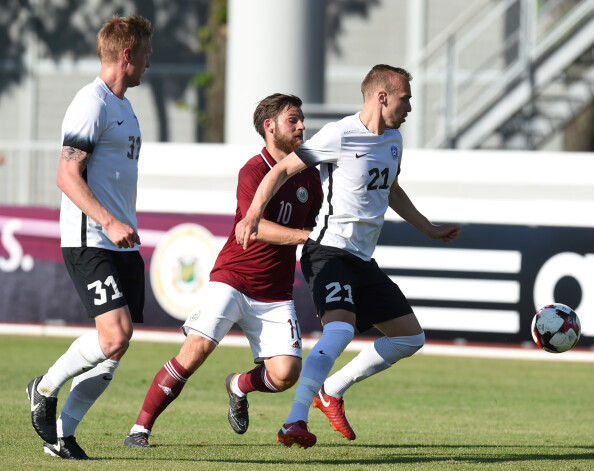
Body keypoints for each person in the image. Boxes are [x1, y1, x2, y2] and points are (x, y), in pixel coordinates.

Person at [235, 64, 462, 449]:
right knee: (340, 330)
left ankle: (333, 389)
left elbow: (390, 188)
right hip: (327, 251)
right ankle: (295, 420)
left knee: (410, 338)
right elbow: (282, 171)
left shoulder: (394, 141)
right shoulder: (339, 134)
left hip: (361, 259)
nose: (410, 106)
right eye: (405, 98)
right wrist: (254, 212)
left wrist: (428, 227)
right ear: (382, 96)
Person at [123, 93, 322, 448]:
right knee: (195, 350)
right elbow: (255, 227)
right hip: (233, 279)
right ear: (270, 126)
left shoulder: (310, 176)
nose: (302, 125)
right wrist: (307, 236)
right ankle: (140, 429)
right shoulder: (254, 169)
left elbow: (317, 231)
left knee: (286, 374)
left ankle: (237, 385)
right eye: (293, 120)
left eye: (301, 118)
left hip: (275, 293)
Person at [25, 15, 153, 460]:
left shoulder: (126, 107)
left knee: (116, 348)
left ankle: (63, 436)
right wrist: (110, 221)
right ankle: (43, 388)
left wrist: (124, 225)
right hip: (90, 238)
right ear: (127, 55)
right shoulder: (90, 102)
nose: (150, 63)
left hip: (121, 242)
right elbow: (66, 174)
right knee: (113, 336)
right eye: (146, 54)